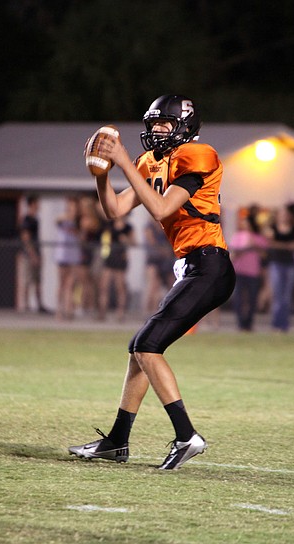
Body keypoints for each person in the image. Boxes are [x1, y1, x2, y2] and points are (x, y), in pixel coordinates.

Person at [69, 94, 236, 469]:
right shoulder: (149, 163)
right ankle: (117, 441)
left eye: (165, 124)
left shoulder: (199, 155)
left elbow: (161, 208)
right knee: (139, 350)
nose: (157, 131)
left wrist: (123, 161)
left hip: (210, 265)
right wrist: (102, 177)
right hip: (193, 267)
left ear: (186, 127)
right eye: (154, 125)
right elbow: (114, 210)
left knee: (147, 346)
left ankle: (186, 435)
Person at [265, 204, 294, 332]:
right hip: (276, 263)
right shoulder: (273, 228)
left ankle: (284, 325)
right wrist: (285, 246)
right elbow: (269, 242)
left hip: (290, 263)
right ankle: (276, 323)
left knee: (286, 295)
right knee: (277, 294)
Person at [229, 208, 268, 331]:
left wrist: (254, 246)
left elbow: (264, 254)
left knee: (252, 298)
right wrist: (246, 248)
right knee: (239, 298)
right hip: (239, 270)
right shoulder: (238, 236)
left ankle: (249, 323)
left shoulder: (259, 238)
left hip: (253, 271)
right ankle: (241, 323)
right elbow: (234, 253)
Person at [97, 216, 133, 321]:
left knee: (120, 287)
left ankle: (120, 313)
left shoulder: (128, 228)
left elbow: (133, 242)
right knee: (104, 286)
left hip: (121, 260)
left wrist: (126, 240)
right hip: (109, 258)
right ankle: (102, 312)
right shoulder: (109, 225)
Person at [18, 195, 49, 314]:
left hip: (36, 253)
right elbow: (26, 238)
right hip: (28, 255)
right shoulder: (26, 220)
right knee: (27, 279)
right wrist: (33, 255)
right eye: (37, 203)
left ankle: (39, 304)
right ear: (32, 204)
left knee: (37, 280)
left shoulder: (36, 220)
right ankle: (25, 305)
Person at [54, 195, 82, 320]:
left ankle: (68, 310)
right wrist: (69, 215)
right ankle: (59, 310)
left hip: (73, 256)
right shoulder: (63, 220)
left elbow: (82, 236)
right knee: (62, 283)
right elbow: (56, 220)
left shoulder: (79, 222)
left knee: (71, 284)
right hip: (62, 255)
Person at [142, 219, 176, 315]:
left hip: (167, 262)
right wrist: (165, 250)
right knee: (153, 287)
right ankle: (148, 313)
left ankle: (167, 312)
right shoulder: (149, 227)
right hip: (154, 260)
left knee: (172, 286)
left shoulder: (167, 225)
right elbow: (152, 243)